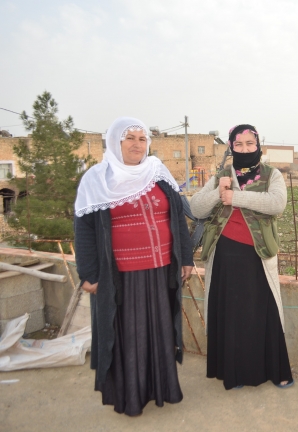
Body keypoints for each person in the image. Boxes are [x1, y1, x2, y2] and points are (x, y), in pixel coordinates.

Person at [74, 117, 194, 416]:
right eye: (129, 138)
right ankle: (131, 395)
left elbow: (177, 216)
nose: (137, 144)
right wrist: (88, 272)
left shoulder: (158, 173)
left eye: (142, 139)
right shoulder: (97, 178)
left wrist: (186, 257)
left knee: (160, 330)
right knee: (128, 334)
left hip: (160, 267)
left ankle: (162, 387)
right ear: (115, 142)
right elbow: (84, 227)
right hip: (121, 274)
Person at [190, 124, 293, 390]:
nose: (245, 149)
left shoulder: (272, 175)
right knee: (231, 314)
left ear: (258, 145)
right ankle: (233, 373)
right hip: (224, 253)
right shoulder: (221, 174)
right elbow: (196, 208)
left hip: (258, 253)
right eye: (239, 145)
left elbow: (276, 204)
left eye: (250, 144)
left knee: (264, 312)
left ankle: (275, 370)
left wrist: (236, 197)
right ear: (231, 146)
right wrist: (217, 192)